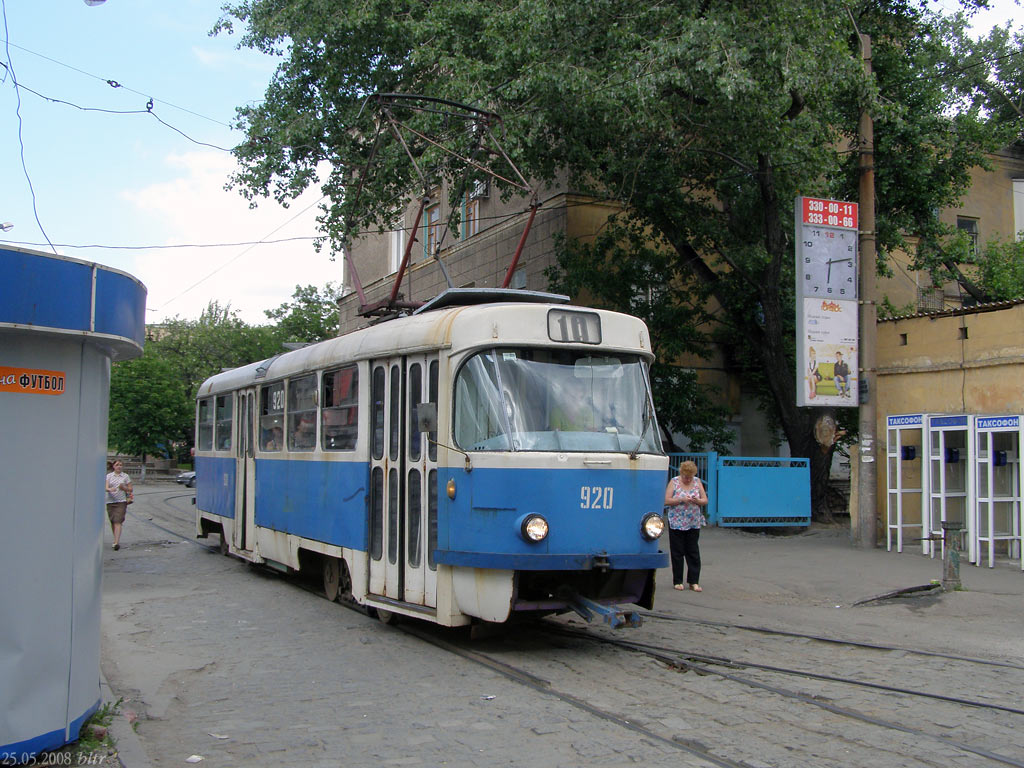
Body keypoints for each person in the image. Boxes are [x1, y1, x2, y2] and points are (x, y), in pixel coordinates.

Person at [664, 460, 708, 591]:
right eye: (686, 477)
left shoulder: (697, 481)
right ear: (681, 474)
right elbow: (666, 500)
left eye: (690, 477)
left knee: (693, 551)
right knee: (677, 552)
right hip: (676, 522)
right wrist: (680, 500)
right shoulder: (674, 482)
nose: (688, 479)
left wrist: (697, 501)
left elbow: (705, 500)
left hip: (693, 522)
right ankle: (677, 581)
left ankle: (694, 581)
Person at [105, 459, 133, 551]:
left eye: (121, 465)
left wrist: (124, 487)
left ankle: (116, 542)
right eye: (117, 465)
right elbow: (106, 487)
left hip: (121, 501)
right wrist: (109, 489)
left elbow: (130, 489)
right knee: (113, 521)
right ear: (113, 466)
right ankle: (115, 539)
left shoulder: (125, 476)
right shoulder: (109, 476)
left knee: (118, 521)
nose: (119, 466)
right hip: (110, 502)